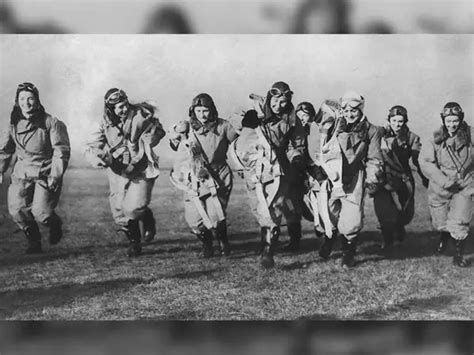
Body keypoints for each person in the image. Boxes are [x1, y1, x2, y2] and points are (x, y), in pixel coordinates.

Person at [85, 88, 165, 257]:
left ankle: (145, 215)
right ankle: (134, 242)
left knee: (134, 206)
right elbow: (93, 145)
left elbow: (158, 130)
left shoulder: (141, 115)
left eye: (124, 104)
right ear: (110, 109)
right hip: (118, 169)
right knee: (119, 209)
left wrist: (154, 138)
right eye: (119, 107)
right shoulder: (103, 122)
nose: (124, 109)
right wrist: (96, 157)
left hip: (142, 166)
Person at [235, 81, 306, 268]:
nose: (278, 105)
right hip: (255, 169)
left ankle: (268, 252)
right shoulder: (254, 110)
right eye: (275, 100)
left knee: (275, 207)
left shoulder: (292, 119)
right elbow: (233, 129)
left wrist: (297, 157)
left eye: (283, 102)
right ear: (269, 97)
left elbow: (296, 144)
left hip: (279, 169)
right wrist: (245, 122)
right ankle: (266, 242)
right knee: (258, 207)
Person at [0, 82, 70, 253]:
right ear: (17, 101)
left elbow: (61, 150)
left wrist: (56, 174)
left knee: (41, 213)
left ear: (37, 101)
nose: (26, 103)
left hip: (45, 172)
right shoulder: (12, 125)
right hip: (22, 173)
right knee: (17, 210)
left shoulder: (51, 123)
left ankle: (54, 223)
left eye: (30, 98)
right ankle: (34, 241)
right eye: (22, 99)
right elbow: (4, 150)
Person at [316, 91, 384, 267]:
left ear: (361, 110)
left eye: (353, 110)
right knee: (329, 214)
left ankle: (348, 253)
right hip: (331, 177)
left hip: (354, 178)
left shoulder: (372, 130)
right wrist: (319, 170)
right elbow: (321, 148)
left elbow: (374, 158)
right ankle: (329, 240)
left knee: (352, 219)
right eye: (346, 110)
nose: (349, 114)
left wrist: (372, 179)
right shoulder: (333, 126)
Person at [169, 93, 238, 258]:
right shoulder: (187, 129)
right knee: (194, 219)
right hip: (195, 178)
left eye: (205, 110)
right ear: (193, 111)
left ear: (212, 110)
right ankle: (206, 244)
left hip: (219, 175)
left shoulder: (223, 126)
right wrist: (175, 136)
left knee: (216, 216)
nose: (202, 114)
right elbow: (176, 146)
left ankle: (223, 241)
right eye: (198, 110)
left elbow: (238, 143)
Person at [420, 102, 473, 267]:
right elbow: (425, 162)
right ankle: (444, 236)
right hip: (441, 186)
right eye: (448, 121)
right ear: (443, 120)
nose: (452, 125)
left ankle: (458, 255)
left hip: (465, 184)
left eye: (455, 120)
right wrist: (444, 181)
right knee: (440, 222)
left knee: (460, 220)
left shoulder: (471, 135)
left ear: (461, 119)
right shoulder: (435, 138)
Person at [373, 105, 428, 252]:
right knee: (384, 210)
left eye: (401, 121)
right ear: (389, 119)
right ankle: (388, 241)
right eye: (394, 120)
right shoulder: (379, 135)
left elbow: (418, 160)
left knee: (405, 212)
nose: (397, 124)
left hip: (404, 179)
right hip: (383, 178)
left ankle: (399, 228)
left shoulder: (411, 137)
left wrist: (424, 177)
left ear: (405, 122)